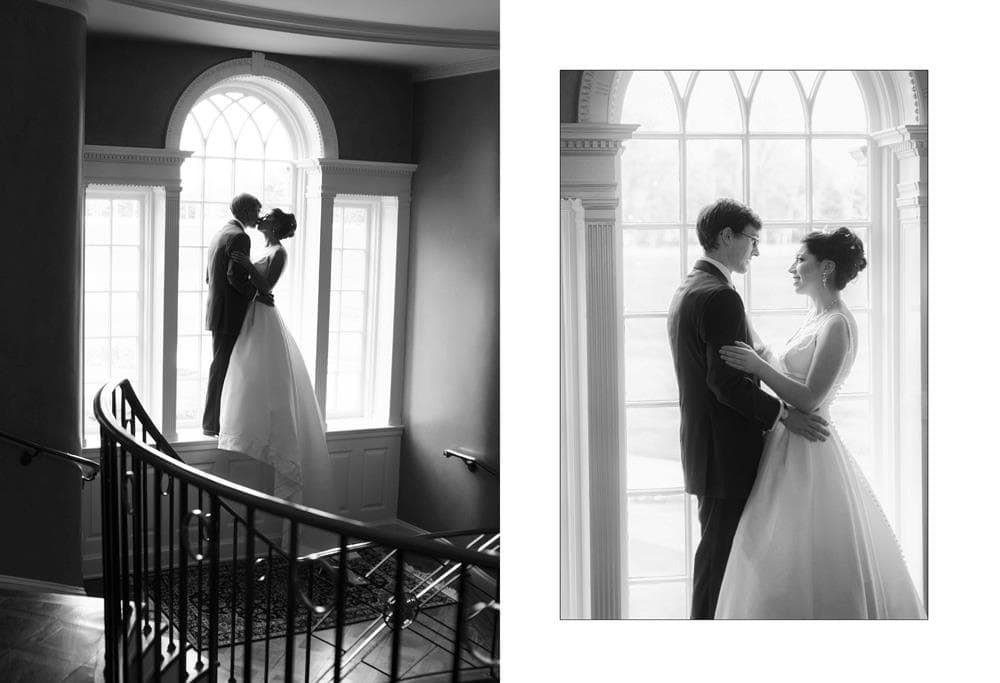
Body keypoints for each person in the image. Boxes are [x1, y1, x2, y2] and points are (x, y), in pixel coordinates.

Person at [714, 228, 925, 618]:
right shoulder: (816, 317)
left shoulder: (837, 326)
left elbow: (810, 398)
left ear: (825, 268)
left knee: (802, 554)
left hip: (809, 447)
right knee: (770, 553)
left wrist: (757, 366)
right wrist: (741, 323)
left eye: (800, 260)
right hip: (785, 441)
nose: (792, 268)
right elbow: (780, 363)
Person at [667, 198, 830, 619]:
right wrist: (784, 415)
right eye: (752, 241)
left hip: (709, 449)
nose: (756, 251)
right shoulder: (720, 296)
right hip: (725, 452)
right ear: (726, 237)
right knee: (720, 562)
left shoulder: (690, 287)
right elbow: (726, 384)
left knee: (720, 557)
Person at [217, 209, 327, 508]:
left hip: (264, 315)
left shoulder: (279, 252)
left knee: (264, 372)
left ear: (275, 226)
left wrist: (247, 266)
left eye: (266, 217)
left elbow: (267, 287)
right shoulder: (263, 248)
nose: (261, 219)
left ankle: (269, 434)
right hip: (254, 311)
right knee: (245, 370)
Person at [202, 193, 272, 438]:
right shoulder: (240, 237)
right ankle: (212, 425)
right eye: (256, 210)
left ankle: (216, 423)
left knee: (221, 365)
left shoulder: (220, 233)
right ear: (245, 211)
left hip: (218, 310)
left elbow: (209, 277)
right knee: (222, 367)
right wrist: (256, 295)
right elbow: (234, 277)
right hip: (230, 312)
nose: (259, 215)